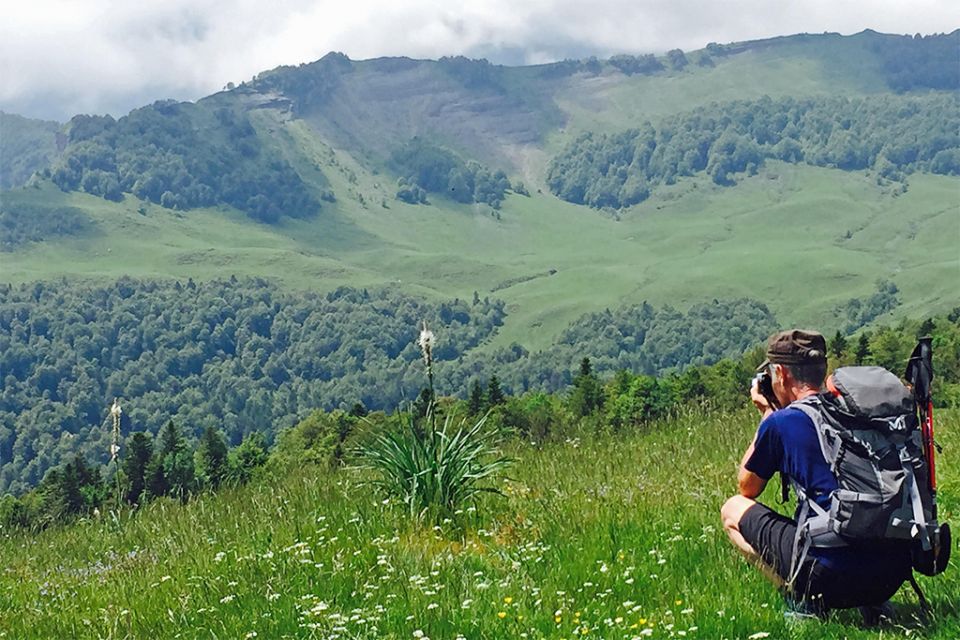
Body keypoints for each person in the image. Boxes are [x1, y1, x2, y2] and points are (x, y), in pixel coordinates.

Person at [720, 329, 912, 621]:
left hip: (829, 576)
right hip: (894, 571)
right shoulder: (860, 414)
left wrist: (767, 417)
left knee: (732, 509)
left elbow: (747, 487)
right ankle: (874, 605)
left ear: (781, 374)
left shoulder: (783, 422)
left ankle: (802, 601)